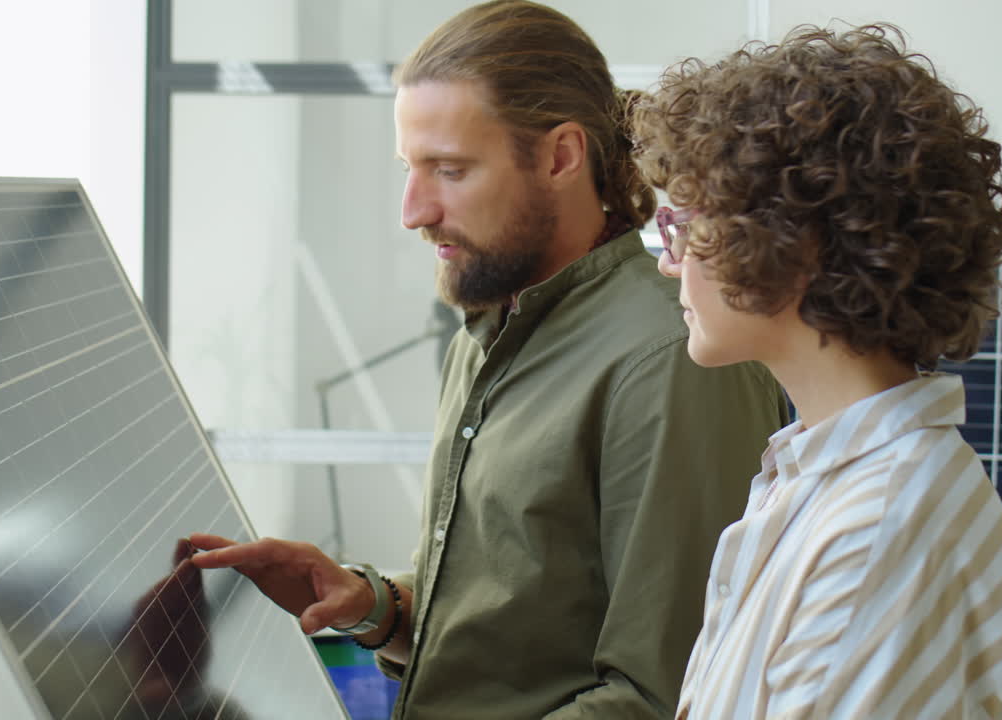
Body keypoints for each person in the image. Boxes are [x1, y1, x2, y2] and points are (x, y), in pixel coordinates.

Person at [190, 1, 789, 718]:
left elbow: (662, 699)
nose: (413, 211)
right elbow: (519, 630)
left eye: (449, 170)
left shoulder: (671, 361)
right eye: (410, 169)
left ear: (561, 157)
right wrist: (373, 607)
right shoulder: (485, 334)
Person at [630, 24, 1002, 719]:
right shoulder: (826, 479)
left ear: (798, 241)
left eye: (691, 221)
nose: (671, 260)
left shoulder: (877, 529)